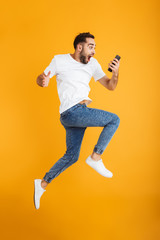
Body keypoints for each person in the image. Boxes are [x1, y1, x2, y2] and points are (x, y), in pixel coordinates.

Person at [34, 32, 120, 209]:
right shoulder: (59, 60)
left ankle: (42, 184)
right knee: (113, 120)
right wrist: (42, 80)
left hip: (76, 115)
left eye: (95, 47)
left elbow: (110, 86)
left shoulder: (92, 64)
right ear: (79, 47)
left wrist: (116, 73)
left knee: (71, 156)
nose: (94, 51)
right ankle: (95, 157)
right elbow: (42, 77)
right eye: (91, 47)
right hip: (72, 111)